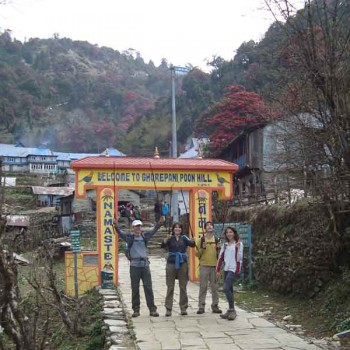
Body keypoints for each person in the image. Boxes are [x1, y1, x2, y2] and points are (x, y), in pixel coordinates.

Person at [113, 216, 165, 317]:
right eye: (136, 226)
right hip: (134, 266)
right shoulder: (129, 237)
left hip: (145, 265)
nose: (138, 228)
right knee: (135, 288)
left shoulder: (145, 236)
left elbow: (153, 230)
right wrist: (115, 225)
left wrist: (160, 223)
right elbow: (120, 232)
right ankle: (136, 310)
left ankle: (152, 309)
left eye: (139, 226)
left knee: (148, 287)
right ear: (133, 228)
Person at [161, 222, 196, 317]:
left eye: (179, 227)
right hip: (171, 263)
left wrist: (193, 241)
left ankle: (183, 307)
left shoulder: (184, 238)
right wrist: (165, 240)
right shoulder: (170, 238)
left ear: (181, 229)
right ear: (173, 229)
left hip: (182, 263)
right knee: (170, 287)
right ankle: (168, 309)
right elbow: (162, 246)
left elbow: (192, 244)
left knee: (183, 286)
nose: (177, 229)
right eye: (175, 227)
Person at [216, 226, 243, 321]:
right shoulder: (225, 245)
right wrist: (218, 270)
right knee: (230, 289)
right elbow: (221, 257)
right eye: (227, 232)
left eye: (231, 232)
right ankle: (230, 310)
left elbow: (239, 258)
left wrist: (236, 248)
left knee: (226, 288)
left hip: (234, 269)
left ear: (234, 233)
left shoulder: (239, 244)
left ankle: (232, 310)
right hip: (227, 269)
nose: (229, 234)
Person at [196, 221, 222, 314]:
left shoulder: (217, 240)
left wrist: (218, 248)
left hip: (214, 266)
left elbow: (220, 256)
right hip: (204, 266)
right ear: (205, 228)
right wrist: (202, 248)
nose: (210, 226)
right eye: (207, 225)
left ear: (213, 228)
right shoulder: (202, 240)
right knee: (203, 286)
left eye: (211, 225)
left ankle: (215, 305)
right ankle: (201, 306)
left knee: (215, 287)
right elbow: (197, 254)